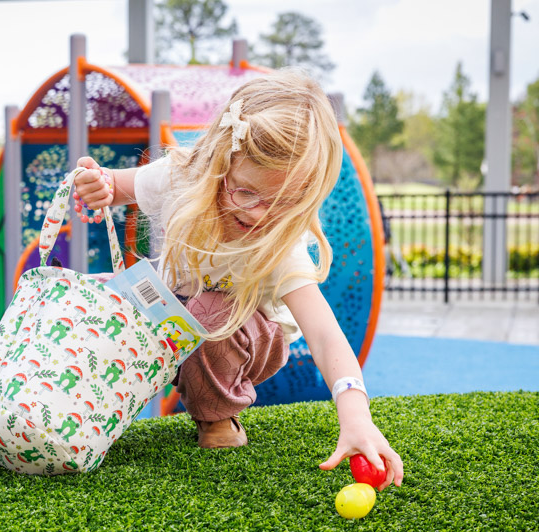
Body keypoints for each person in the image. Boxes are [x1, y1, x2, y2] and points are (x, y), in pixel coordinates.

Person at [72, 71, 403, 490]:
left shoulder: (279, 243)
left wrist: (356, 416)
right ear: (219, 162)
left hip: (245, 337)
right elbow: (116, 186)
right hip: (172, 317)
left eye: (283, 203)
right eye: (247, 193)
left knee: (209, 310)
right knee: (103, 295)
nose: (263, 213)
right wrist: (96, 183)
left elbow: (324, 334)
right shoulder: (182, 177)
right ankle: (84, 411)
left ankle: (217, 416)